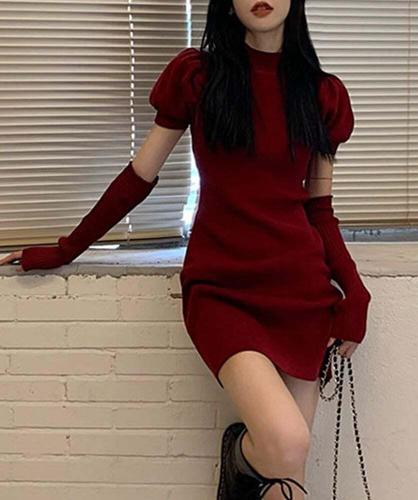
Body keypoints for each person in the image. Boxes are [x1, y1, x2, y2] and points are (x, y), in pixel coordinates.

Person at [0, 0, 372, 498]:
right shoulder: (199, 77)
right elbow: (140, 176)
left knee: (289, 479)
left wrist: (355, 293)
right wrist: (66, 249)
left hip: (301, 293)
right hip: (222, 288)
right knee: (286, 443)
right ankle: (238, 458)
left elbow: (319, 210)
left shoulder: (322, 94)